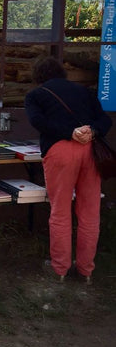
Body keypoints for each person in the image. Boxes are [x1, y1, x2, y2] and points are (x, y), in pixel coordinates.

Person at [25, 56, 112, 283]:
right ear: (61, 72)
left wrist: (69, 132)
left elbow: (38, 122)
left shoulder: (36, 95)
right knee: (90, 213)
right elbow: (105, 120)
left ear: (38, 76)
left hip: (60, 151)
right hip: (90, 151)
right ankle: (86, 271)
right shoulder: (83, 91)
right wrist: (92, 131)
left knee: (60, 212)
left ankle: (60, 269)